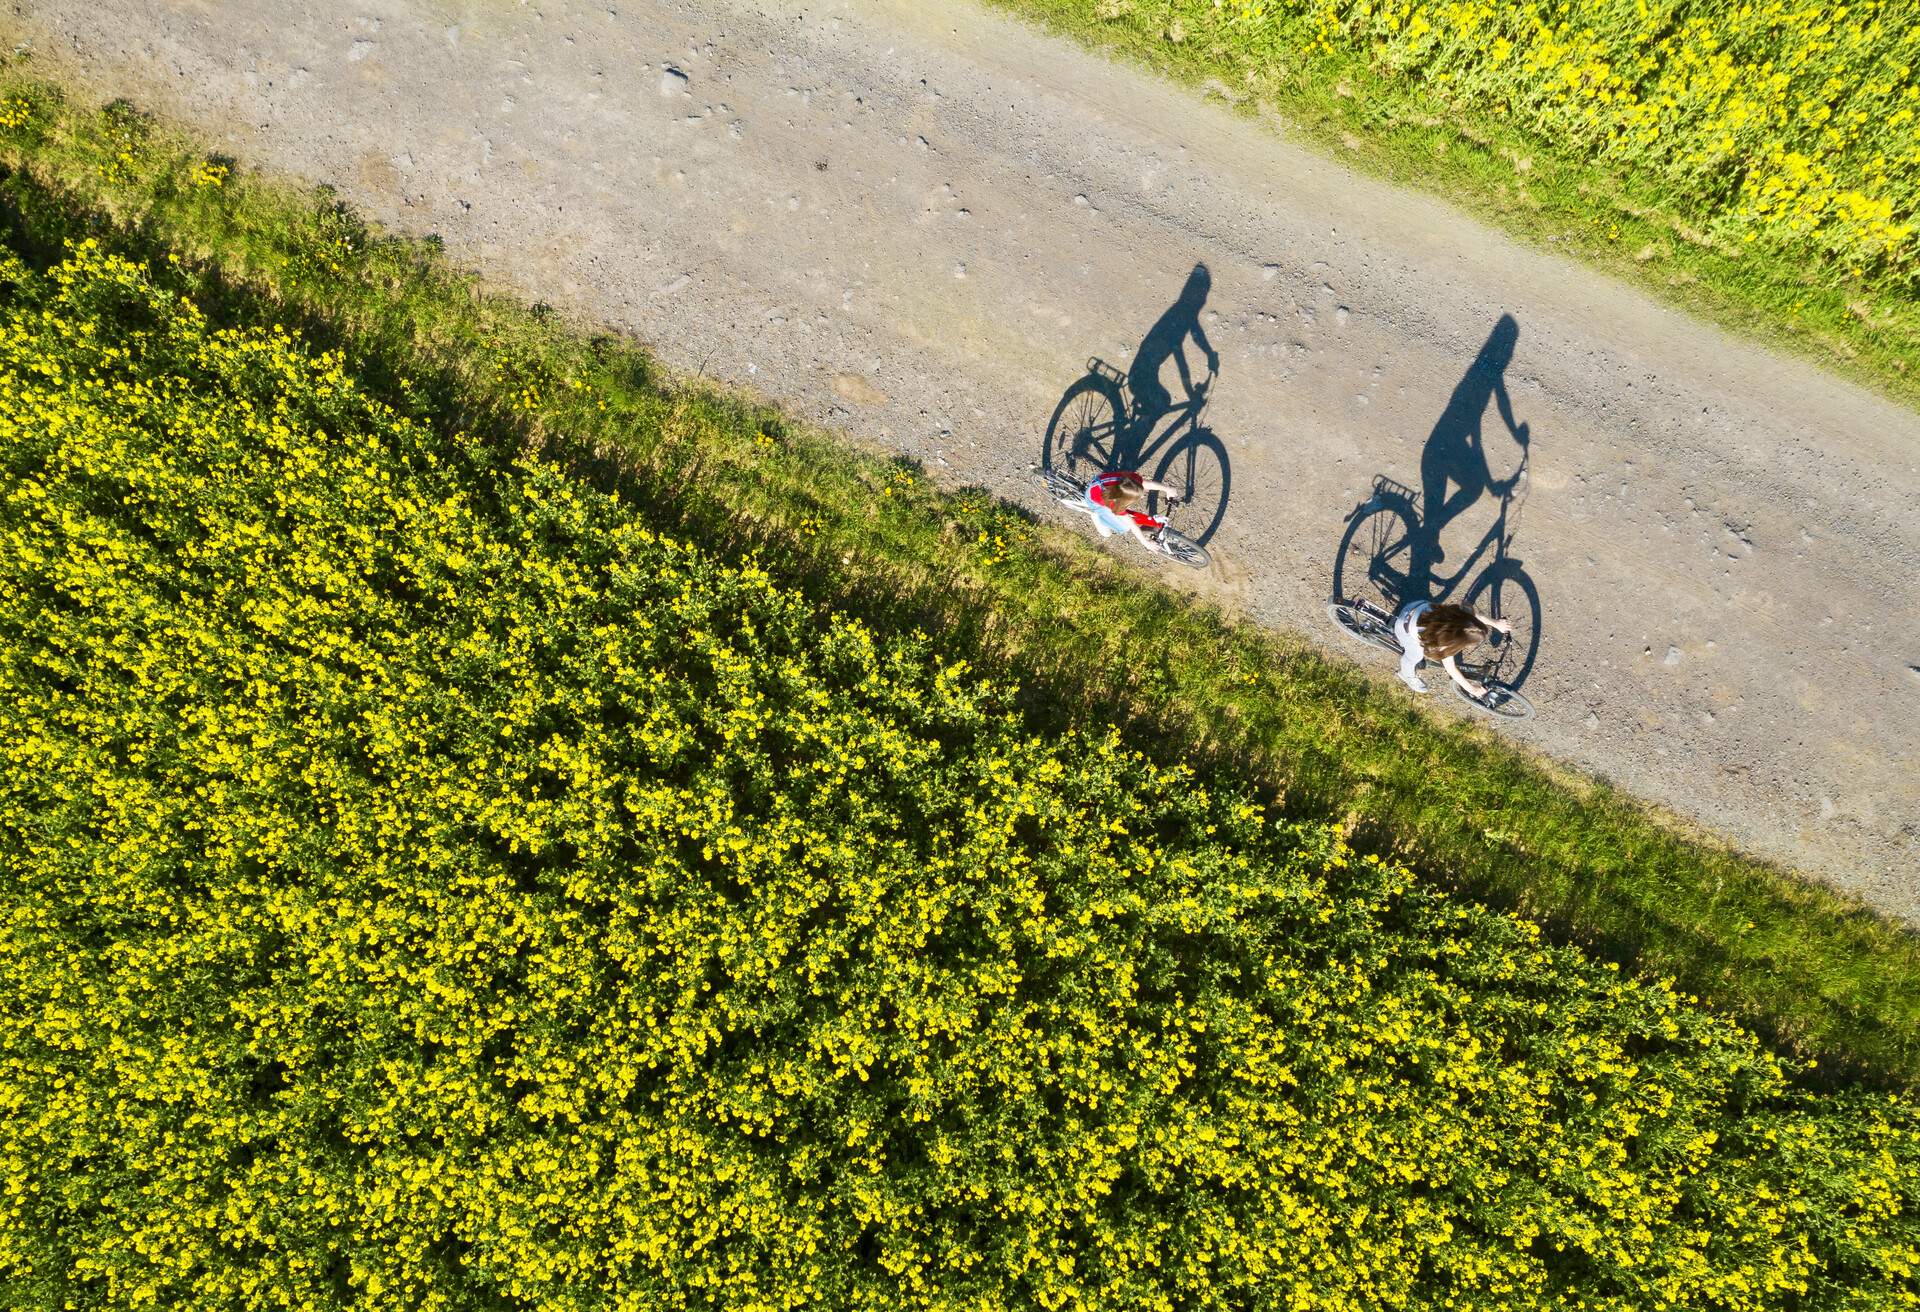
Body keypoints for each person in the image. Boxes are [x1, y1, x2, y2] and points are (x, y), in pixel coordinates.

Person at [1392, 599, 1512, 697]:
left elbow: (1475, 617)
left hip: (1416, 605)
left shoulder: (1460, 617)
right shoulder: (1443, 642)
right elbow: (1451, 669)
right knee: (1414, 656)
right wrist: (1471, 689)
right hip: (1403, 627)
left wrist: (1495, 623)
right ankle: (1406, 675)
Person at [1086, 469, 1179, 551]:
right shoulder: (1114, 504)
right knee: (1122, 528)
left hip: (1101, 483)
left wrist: (1167, 489)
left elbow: (1146, 484)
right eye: (1140, 496)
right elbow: (1132, 525)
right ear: (1123, 500)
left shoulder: (1129, 482)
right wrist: (1146, 543)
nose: (1143, 496)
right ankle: (1097, 518)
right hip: (1093, 499)